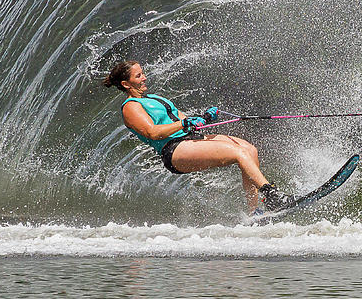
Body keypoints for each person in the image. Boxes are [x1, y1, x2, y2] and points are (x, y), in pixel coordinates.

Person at [102, 59, 293, 213]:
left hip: (189, 140)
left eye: (143, 73)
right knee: (236, 152)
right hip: (173, 150)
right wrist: (183, 123)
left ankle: (254, 212)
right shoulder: (131, 107)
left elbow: (182, 119)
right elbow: (152, 132)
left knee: (249, 149)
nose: (144, 78)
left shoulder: (154, 98)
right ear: (126, 84)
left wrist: (202, 118)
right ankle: (272, 195)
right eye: (138, 75)